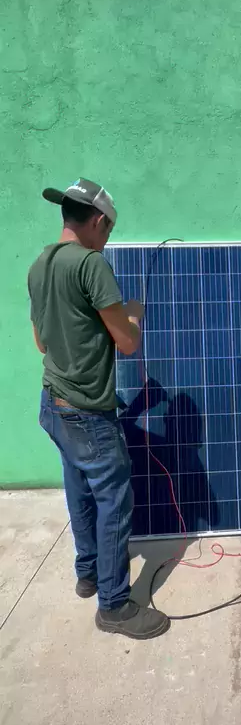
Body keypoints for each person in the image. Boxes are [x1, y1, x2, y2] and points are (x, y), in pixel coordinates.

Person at [28, 178, 170, 640]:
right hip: (88, 412)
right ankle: (114, 605)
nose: (107, 239)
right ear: (98, 221)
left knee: (79, 489)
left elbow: (41, 342)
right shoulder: (92, 265)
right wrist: (133, 315)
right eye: (108, 230)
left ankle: (87, 573)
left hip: (53, 405)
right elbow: (127, 343)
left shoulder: (40, 264)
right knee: (114, 501)